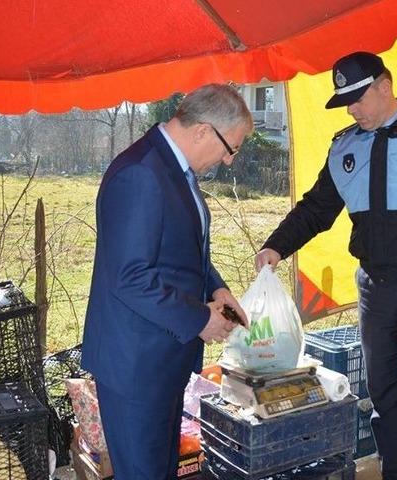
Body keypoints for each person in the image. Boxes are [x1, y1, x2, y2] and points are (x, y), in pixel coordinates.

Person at [254, 51, 397, 480]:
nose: (354, 109)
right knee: (385, 393)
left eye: (359, 98)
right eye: (346, 103)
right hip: (375, 290)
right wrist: (276, 247)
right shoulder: (344, 147)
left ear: (385, 87)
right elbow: (317, 209)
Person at [81, 84, 252, 479]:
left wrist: (217, 289)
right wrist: (199, 319)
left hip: (160, 358)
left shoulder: (172, 169)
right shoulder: (141, 173)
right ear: (203, 131)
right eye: (232, 148)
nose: (228, 160)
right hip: (136, 365)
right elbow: (129, 276)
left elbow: (183, 252)